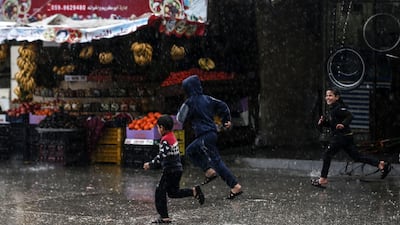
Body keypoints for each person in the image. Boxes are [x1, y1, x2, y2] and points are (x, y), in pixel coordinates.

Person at [176, 74, 243, 199]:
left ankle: (234, 185)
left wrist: (186, 108)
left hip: (204, 136)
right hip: (211, 133)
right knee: (191, 150)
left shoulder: (190, 102)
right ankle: (209, 171)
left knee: (216, 161)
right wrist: (226, 120)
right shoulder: (207, 99)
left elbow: (180, 118)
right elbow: (222, 105)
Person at [311, 87, 392, 188]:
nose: (328, 97)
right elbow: (333, 124)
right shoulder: (332, 109)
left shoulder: (338, 108)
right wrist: (322, 123)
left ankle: (323, 179)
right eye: (327, 95)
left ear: (337, 97)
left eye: (330, 95)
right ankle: (381, 164)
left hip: (340, 137)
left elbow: (350, 116)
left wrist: (343, 124)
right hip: (346, 137)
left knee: (327, 154)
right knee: (357, 156)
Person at [144, 115, 205, 224]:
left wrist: (150, 164)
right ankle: (193, 191)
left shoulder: (165, 140)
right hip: (177, 169)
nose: (158, 130)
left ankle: (164, 217)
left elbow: (162, 155)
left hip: (170, 170)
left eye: (158, 128)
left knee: (160, 191)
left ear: (162, 128)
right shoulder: (171, 136)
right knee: (173, 192)